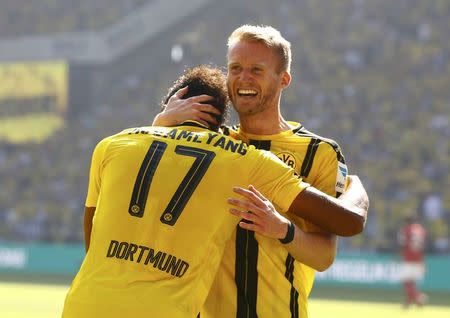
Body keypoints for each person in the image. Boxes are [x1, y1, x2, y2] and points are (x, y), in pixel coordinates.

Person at [62, 65, 368, 318]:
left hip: (84, 306)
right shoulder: (244, 160)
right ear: (221, 122)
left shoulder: (112, 145)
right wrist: (356, 186)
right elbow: (349, 221)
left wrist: (158, 125)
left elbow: (94, 244)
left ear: (170, 106)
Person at [153, 25, 366, 317]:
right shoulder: (213, 143)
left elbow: (324, 256)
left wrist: (282, 229)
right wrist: (161, 123)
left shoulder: (319, 152)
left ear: (284, 79)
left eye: (256, 70)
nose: (243, 78)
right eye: (235, 68)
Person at [397, 215, 428, 307]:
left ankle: (419, 297)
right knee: (412, 282)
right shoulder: (421, 230)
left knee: (406, 281)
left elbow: (403, 244)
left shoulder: (406, 229)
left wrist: (399, 254)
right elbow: (424, 245)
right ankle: (409, 302)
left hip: (409, 258)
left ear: (406, 221)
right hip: (419, 258)